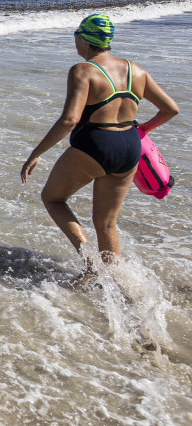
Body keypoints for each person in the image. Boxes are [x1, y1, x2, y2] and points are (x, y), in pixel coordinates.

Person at [21, 14, 179, 283]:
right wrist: (143, 131)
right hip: (130, 146)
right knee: (106, 222)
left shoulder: (83, 71)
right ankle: (115, 282)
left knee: (53, 198)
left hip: (95, 144)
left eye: (77, 36)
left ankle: (91, 264)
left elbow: (70, 120)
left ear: (83, 40)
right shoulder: (136, 70)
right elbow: (170, 109)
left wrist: (36, 154)